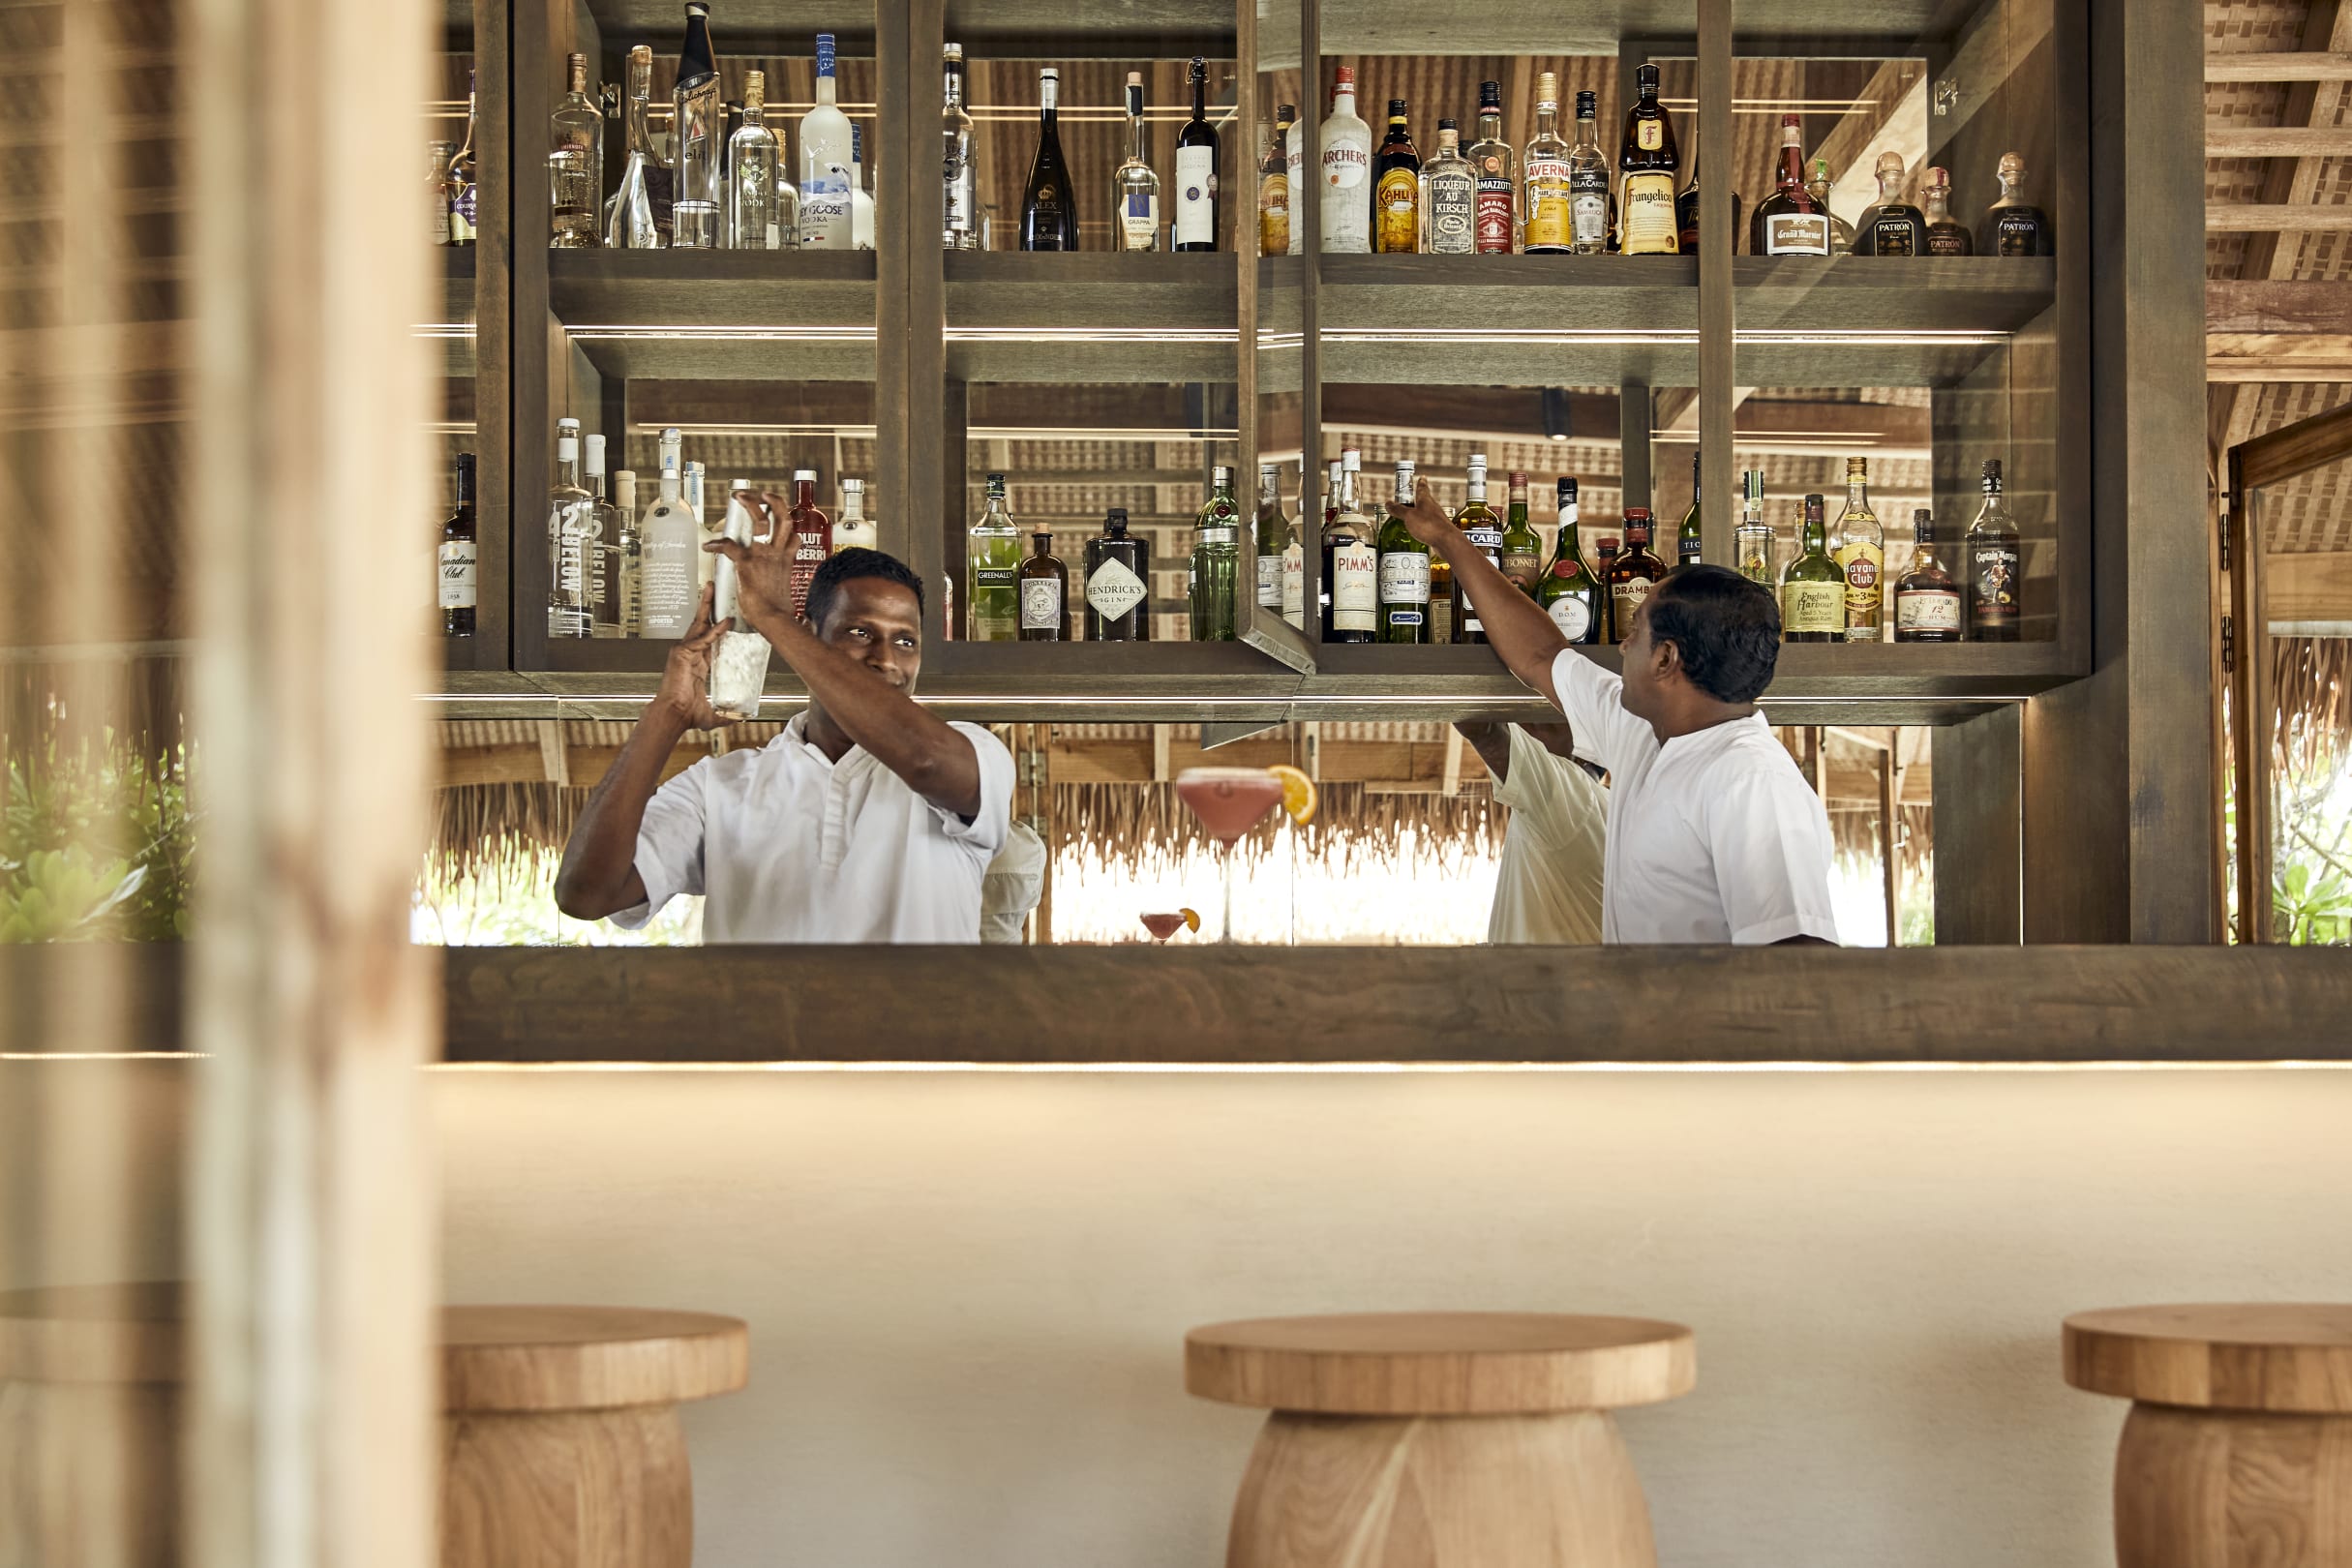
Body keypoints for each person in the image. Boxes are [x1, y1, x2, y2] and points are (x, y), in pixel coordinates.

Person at [1392, 481, 1838, 945]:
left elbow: (1799, 957)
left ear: (1665, 659)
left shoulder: (1751, 781)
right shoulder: (1646, 733)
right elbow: (1541, 654)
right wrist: (1447, 538)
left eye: (1636, 629)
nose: (1623, 645)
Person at [553, 533, 1012, 944]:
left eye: (906, 641)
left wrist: (770, 616)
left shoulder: (973, 753)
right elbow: (586, 895)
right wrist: (667, 712)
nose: (887, 659)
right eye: (860, 632)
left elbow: (925, 760)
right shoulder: (719, 785)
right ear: (810, 634)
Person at [1456, 721, 1607, 945]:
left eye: (1545, 724)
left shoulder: (1570, 800)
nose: (1522, 725)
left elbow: (1481, 728)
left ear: (1583, 751)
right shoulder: (1606, 811)